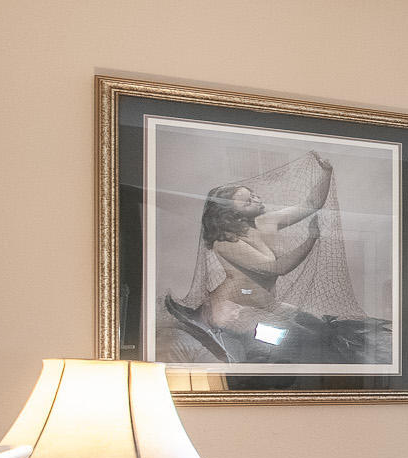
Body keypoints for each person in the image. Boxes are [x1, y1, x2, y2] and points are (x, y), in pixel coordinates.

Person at [164, 154, 386, 365]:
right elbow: (276, 268)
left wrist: (325, 172)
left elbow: (310, 204)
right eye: (246, 200)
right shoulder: (226, 242)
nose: (256, 199)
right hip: (233, 311)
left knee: (320, 328)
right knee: (284, 340)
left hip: (269, 305)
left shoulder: (267, 222)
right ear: (231, 213)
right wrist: (310, 238)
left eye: (253, 195)